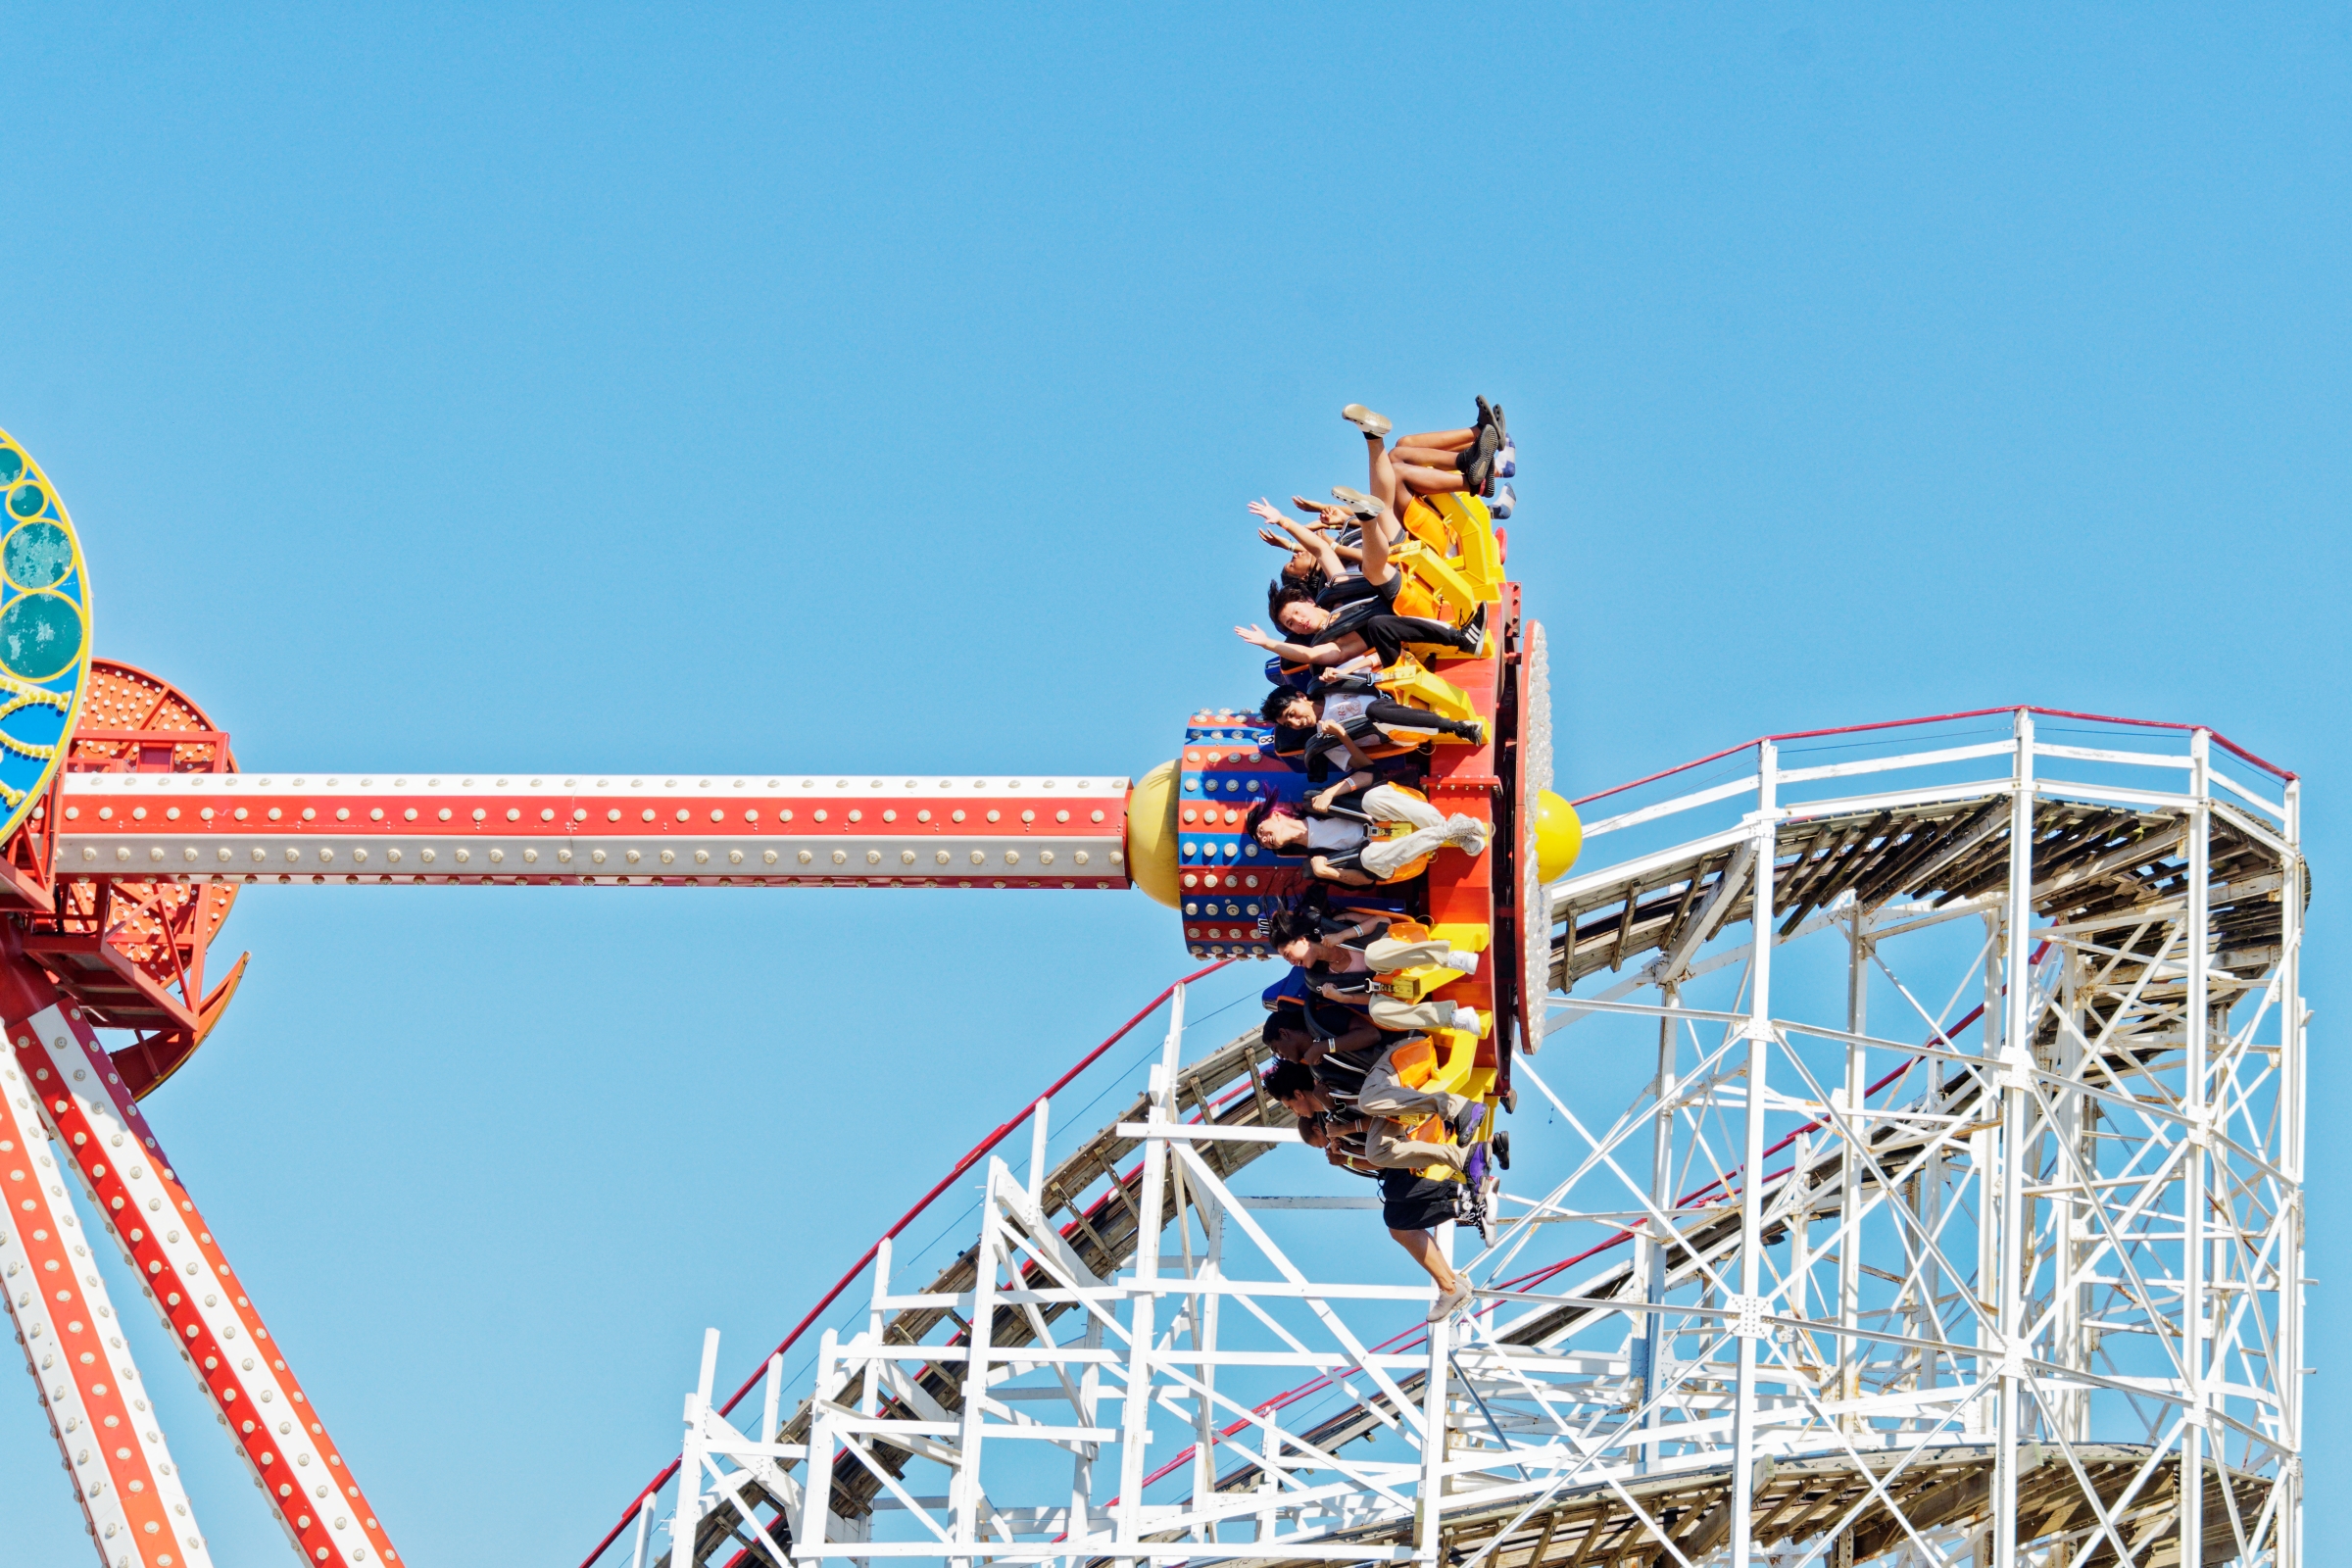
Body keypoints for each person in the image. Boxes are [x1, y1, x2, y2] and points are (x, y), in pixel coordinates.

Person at [1264, 1058, 1477, 1321]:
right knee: (1398, 1226)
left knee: (1395, 1195)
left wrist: (1345, 1139)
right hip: (1395, 1154)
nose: (1295, 1113)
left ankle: (1464, 1198)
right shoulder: (1328, 1109)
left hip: (1408, 1136)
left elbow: (1376, 1117)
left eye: (1290, 1106)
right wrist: (1346, 1151)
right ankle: (1451, 1283)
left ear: (1298, 1094)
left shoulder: (1332, 1096)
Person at [1242, 772, 1491, 888]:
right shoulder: (1315, 861)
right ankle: (1452, 829)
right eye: (1263, 843)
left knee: (1372, 799)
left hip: (1390, 812)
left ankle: (1452, 830)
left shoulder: (1315, 803)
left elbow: (1368, 775)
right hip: (1390, 856)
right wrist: (1329, 873)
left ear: (1275, 815)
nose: (1265, 840)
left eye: (1262, 831)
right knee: (1369, 858)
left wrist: (1331, 792)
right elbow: (1365, 881)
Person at [1259, 681, 1486, 782]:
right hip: (1396, 732)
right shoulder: (1324, 739)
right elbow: (1365, 766)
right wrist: (1341, 736)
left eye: (1292, 714)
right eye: (1289, 725)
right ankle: (1459, 728)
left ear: (1301, 697)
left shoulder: (1329, 688)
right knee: (1376, 711)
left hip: (1397, 694)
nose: (1297, 723)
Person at [1341, 400, 1517, 520]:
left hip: (1386, 515)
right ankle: (1483, 472)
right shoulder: (1332, 554)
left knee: (1403, 446)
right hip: (1396, 525)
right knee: (1396, 465)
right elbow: (1363, 516)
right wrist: (1328, 531)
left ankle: (1478, 437)